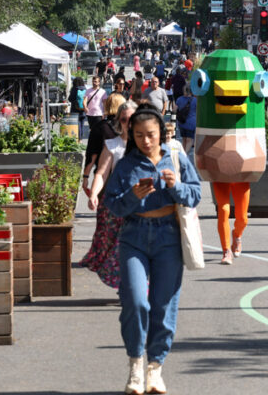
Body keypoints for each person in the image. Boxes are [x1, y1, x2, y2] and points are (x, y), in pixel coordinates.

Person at [104, 106, 202, 395]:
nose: (146, 141)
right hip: (134, 235)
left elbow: (195, 195)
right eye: (139, 135)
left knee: (163, 305)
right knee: (135, 302)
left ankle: (154, 368)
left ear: (160, 133)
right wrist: (132, 196)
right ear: (132, 136)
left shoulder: (176, 157)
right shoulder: (125, 164)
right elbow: (112, 204)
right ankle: (135, 364)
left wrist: (176, 187)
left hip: (168, 237)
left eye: (150, 135)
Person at [83, 100, 138, 288]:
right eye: (124, 120)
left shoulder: (144, 143)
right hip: (118, 205)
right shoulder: (112, 144)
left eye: (132, 120)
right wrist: (94, 194)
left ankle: (136, 286)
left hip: (140, 206)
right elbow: (102, 172)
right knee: (117, 248)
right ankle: (129, 285)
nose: (128, 124)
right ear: (119, 121)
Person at [83, 93, 127, 195]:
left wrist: (86, 177)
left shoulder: (99, 127)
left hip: (103, 177)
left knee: (105, 208)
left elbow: (92, 154)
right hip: (126, 176)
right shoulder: (128, 126)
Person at [175, 87, 197, 153]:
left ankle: (183, 154)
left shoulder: (179, 99)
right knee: (189, 140)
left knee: (184, 139)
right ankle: (184, 155)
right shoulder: (195, 100)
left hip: (181, 122)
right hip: (191, 122)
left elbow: (174, 109)